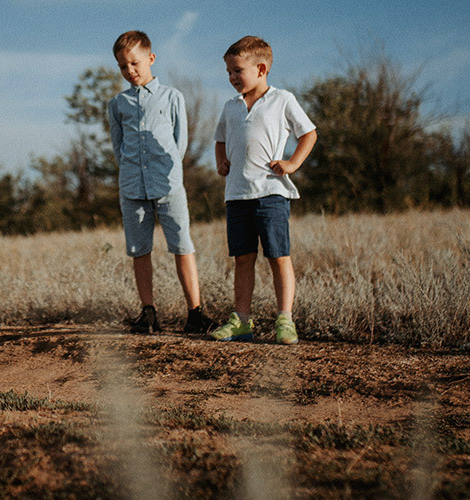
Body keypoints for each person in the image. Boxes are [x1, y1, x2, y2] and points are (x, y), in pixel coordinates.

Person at [211, 36, 317, 344]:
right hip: (236, 196)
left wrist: (293, 163)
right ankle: (242, 321)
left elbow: (308, 133)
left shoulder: (282, 99)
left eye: (237, 71)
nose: (232, 77)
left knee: (278, 256)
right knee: (243, 258)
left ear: (261, 68)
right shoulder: (230, 107)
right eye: (228, 72)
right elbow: (220, 139)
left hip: (271, 193)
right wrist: (221, 161)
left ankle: (285, 319)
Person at [108, 30, 215, 334]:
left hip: (169, 185)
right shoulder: (117, 104)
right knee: (139, 250)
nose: (130, 71)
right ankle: (148, 313)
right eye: (123, 66)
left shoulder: (172, 97)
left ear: (150, 59)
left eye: (135, 63)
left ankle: (195, 314)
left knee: (182, 245)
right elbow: (119, 147)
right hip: (132, 188)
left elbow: (179, 144)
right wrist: (131, 170)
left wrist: (166, 172)